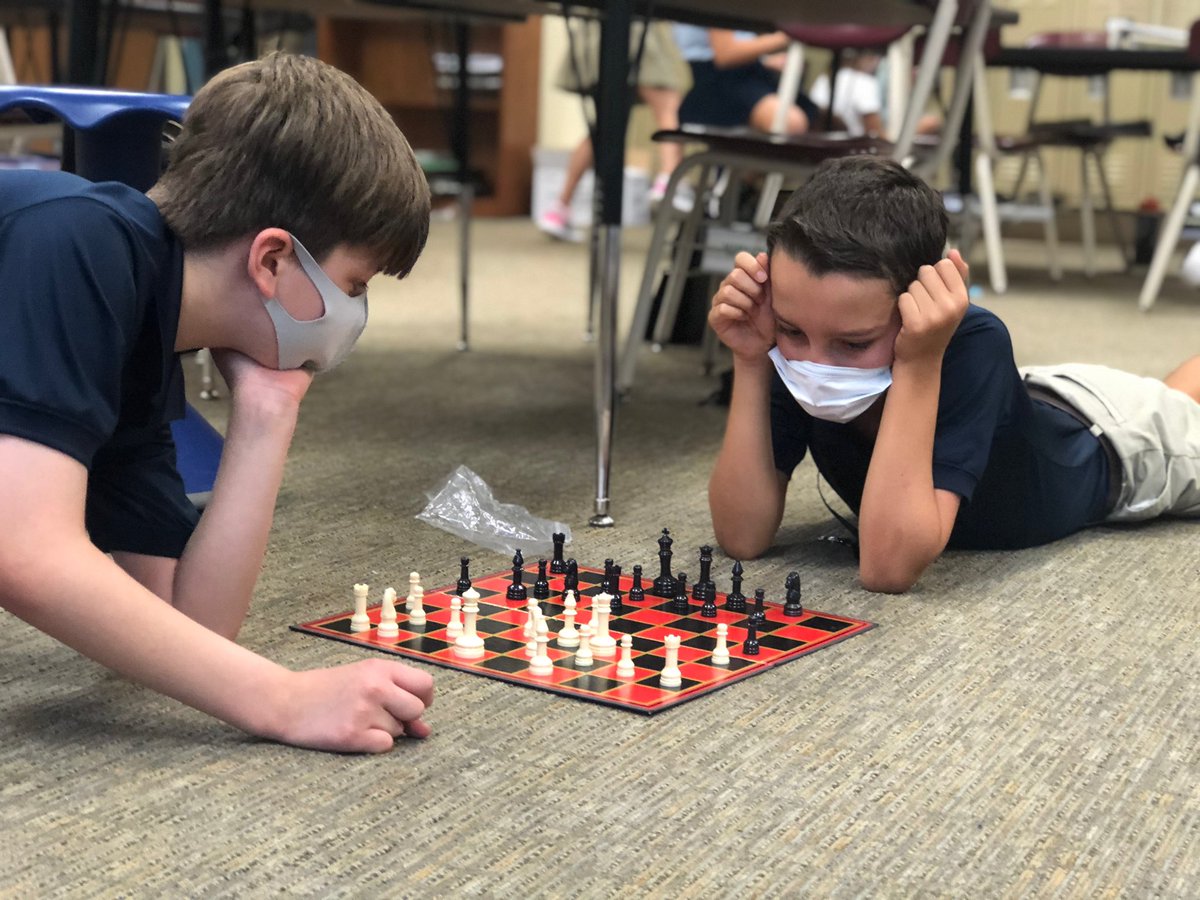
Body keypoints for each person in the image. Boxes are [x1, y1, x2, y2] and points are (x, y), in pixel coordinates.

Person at [0, 53, 435, 752]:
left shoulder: (146, 331)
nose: (354, 312)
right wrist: (281, 698)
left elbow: (188, 624)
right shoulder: (77, 239)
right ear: (271, 261)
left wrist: (267, 414)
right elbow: (23, 551)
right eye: (355, 284)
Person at [708, 156, 1200, 593]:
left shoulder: (969, 342)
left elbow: (887, 568)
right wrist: (752, 361)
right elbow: (742, 536)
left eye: (854, 343)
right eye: (793, 331)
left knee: (1176, 403)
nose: (815, 364)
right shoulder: (787, 340)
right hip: (1033, 401)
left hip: (1120, 441)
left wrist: (919, 363)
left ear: (922, 304)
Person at [538, 19, 689, 242]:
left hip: (601, 31)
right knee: (666, 106)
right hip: (639, 26)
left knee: (604, 126)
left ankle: (560, 208)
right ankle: (668, 180)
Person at [673, 24, 815, 135]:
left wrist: (765, 61)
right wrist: (791, 34)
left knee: (825, 123)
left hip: (744, 73)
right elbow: (726, 55)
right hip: (716, 84)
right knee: (790, 122)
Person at [807, 49, 885, 137]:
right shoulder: (865, 82)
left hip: (820, 142)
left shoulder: (823, 79)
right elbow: (874, 128)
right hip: (855, 146)